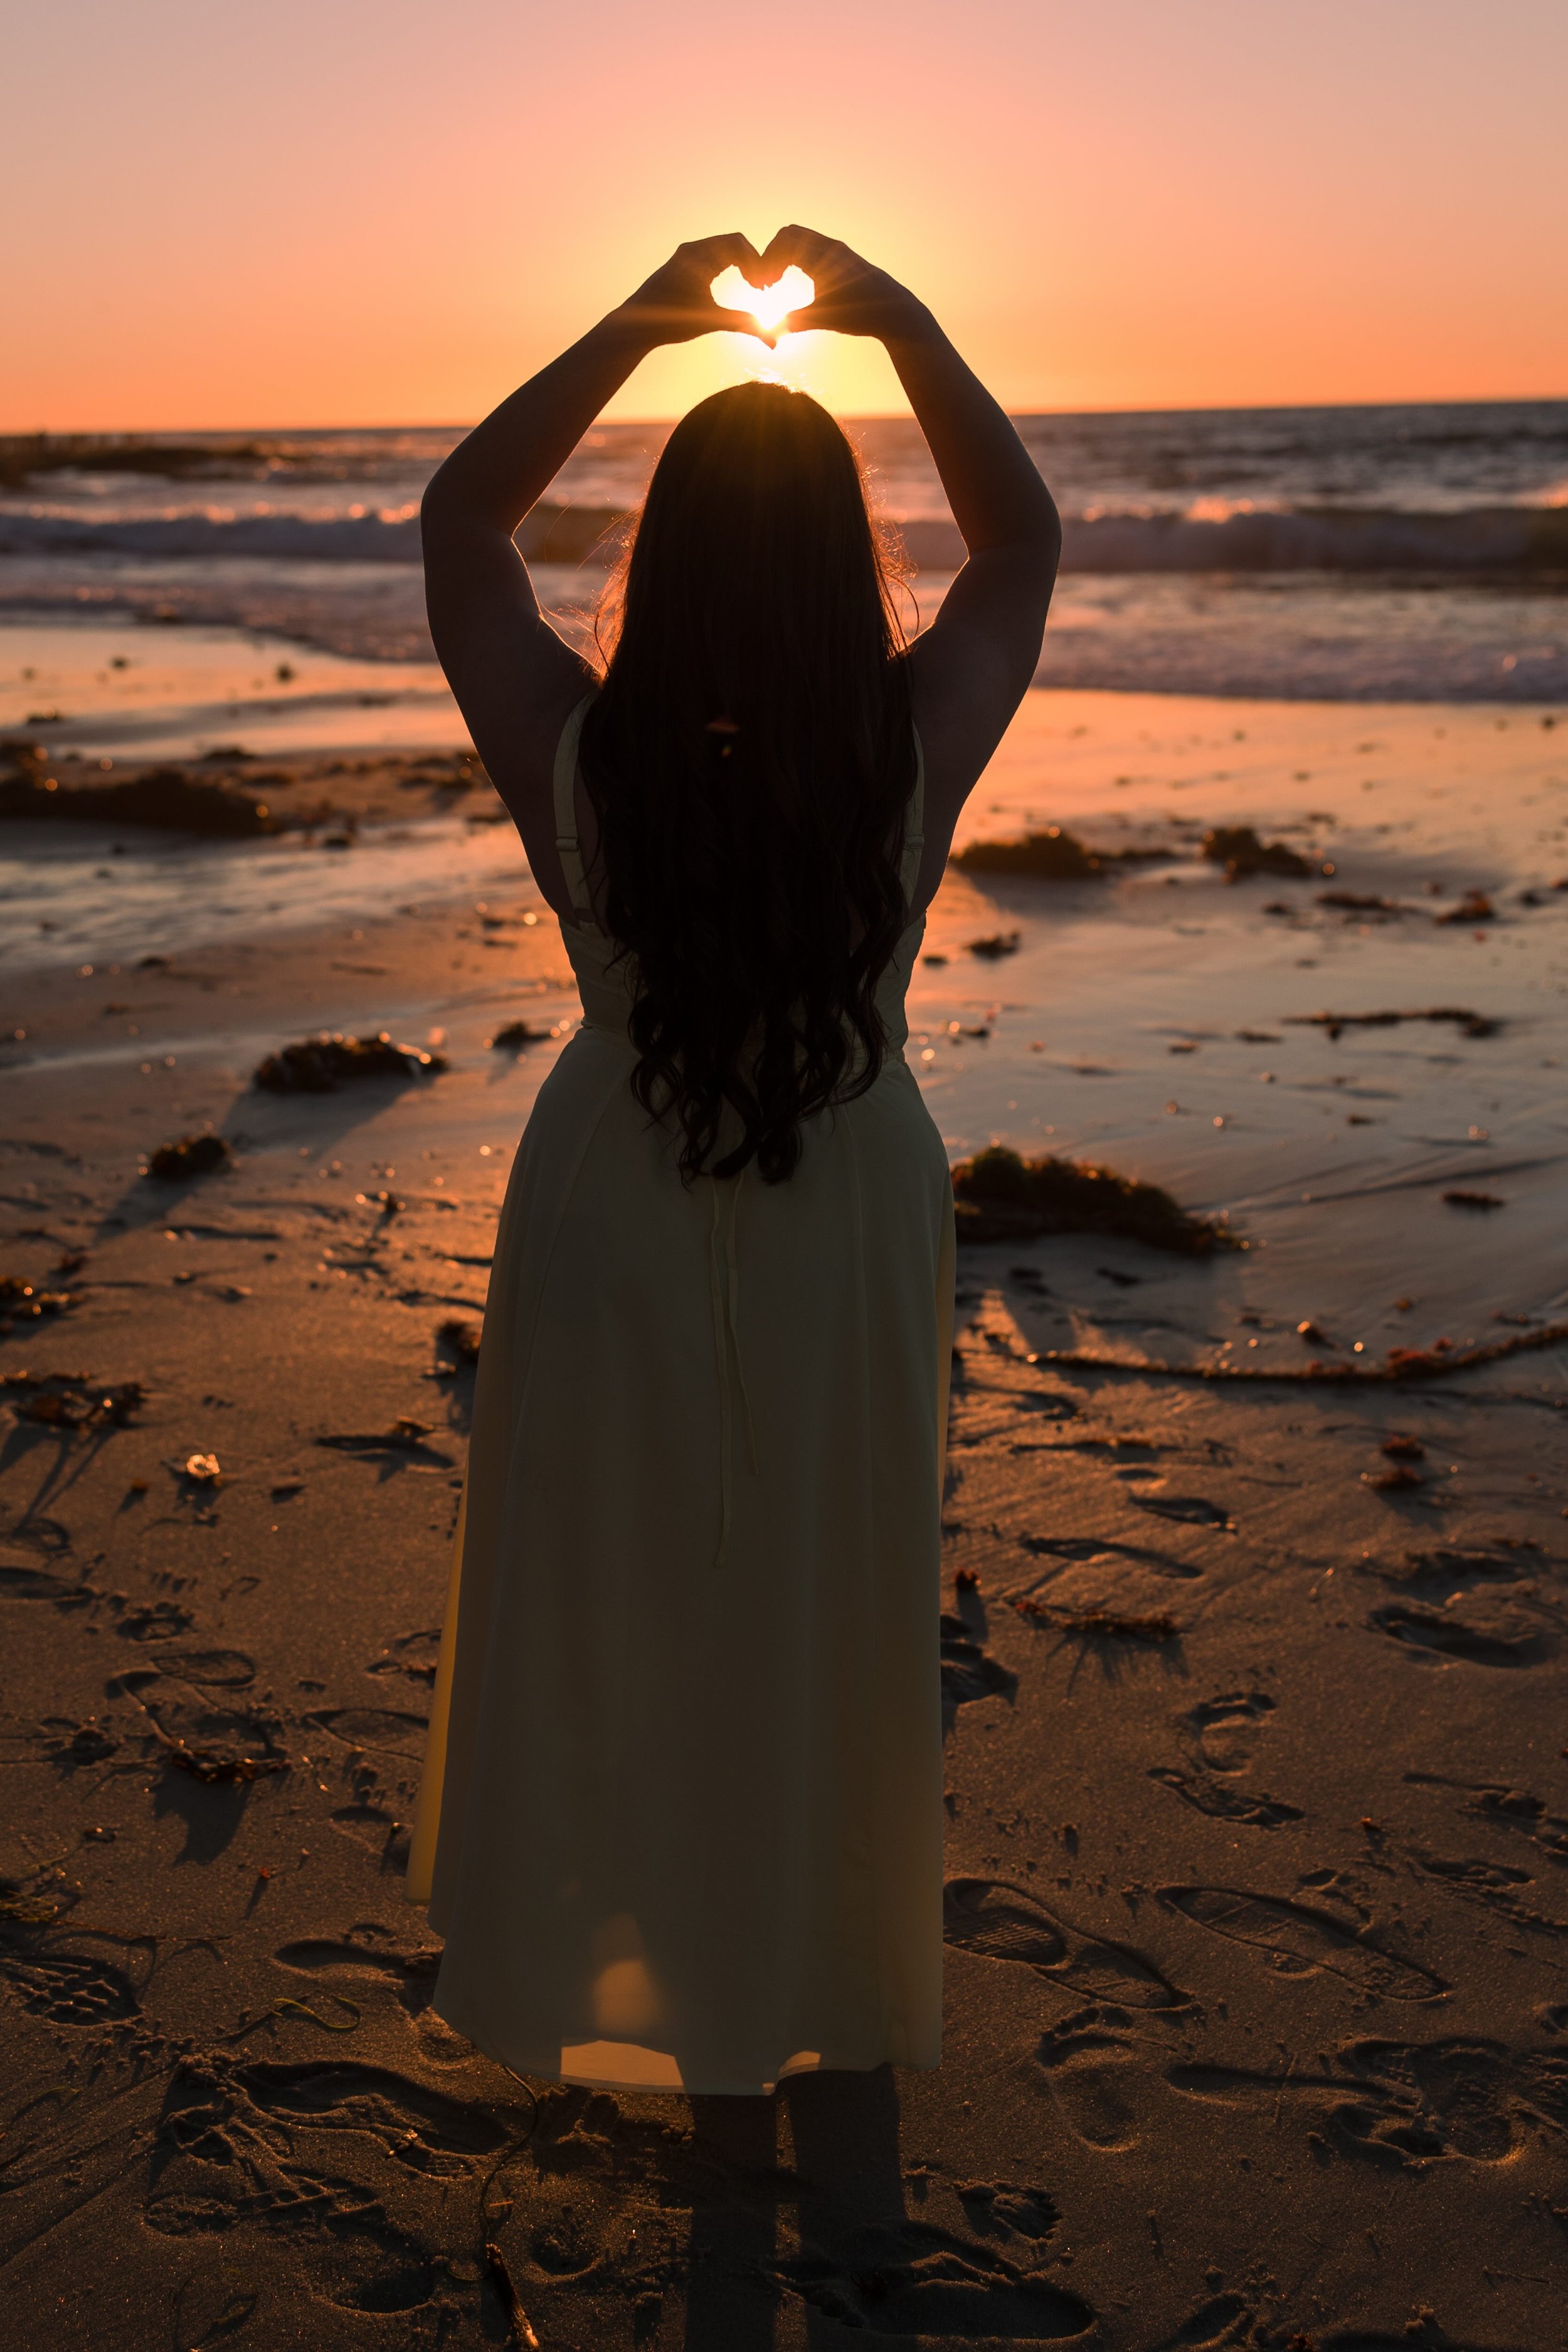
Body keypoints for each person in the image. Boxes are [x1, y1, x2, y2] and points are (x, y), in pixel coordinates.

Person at [406, 228, 1060, 2096]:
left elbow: (460, 530)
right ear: (843, 565)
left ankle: (612, 1954)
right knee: (815, 1593)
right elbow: (1020, 552)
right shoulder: (906, 742)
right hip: (845, 1183)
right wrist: (910, 325)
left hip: (609, 1180)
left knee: (610, 1588)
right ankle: (797, 1976)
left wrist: (634, 324)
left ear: (664, 558)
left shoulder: (580, 752)